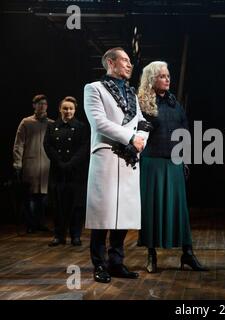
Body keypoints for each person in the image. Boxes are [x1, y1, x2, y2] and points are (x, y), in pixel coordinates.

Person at [84, 47, 151, 283]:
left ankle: (116, 262)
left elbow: (142, 122)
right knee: (103, 214)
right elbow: (99, 122)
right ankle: (99, 264)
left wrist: (139, 141)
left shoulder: (132, 94)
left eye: (130, 61)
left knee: (123, 214)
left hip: (129, 157)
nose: (129, 64)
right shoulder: (94, 89)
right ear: (110, 63)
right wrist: (130, 137)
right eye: (124, 60)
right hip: (108, 155)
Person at [137, 61, 208, 273]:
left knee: (180, 209)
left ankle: (187, 253)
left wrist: (185, 159)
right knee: (152, 209)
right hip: (152, 162)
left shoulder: (175, 104)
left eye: (168, 76)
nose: (167, 79)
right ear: (151, 79)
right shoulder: (142, 104)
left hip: (174, 162)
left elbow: (184, 132)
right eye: (161, 76)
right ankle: (151, 254)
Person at [44, 96, 89, 247]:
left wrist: (70, 163)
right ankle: (58, 235)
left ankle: (75, 236)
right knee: (58, 205)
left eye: (70, 108)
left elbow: (84, 148)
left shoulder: (81, 127)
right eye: (65, 108)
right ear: (60, 109)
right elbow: (47, 146)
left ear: (75, 110)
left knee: (76, 206)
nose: (68, 111)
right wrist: (59, 162)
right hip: (58, 171)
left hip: (75, 173)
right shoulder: (52, 126)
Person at [13, 94, 54, 233]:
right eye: (39, 103)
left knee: (42, 197)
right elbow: (19, 144)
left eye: (44, 103)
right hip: (30, 164)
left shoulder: (51, 124)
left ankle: (40, 223)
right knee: (30, 196)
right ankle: (31, 225)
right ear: (34, 105)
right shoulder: (26, 122)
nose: (42, 106)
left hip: (46, 166)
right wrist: (17, 163)